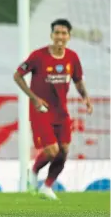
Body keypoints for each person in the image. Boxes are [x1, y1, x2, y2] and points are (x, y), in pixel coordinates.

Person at [13, 19, 93, 200]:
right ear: (51, 35)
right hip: (41, 110)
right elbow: (17, 76)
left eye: (64, 33)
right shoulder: (38, 56)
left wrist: (86, 98)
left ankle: (47, 186)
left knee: (64, 151)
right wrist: (34, 98)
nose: (60, 37)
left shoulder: (72, 57)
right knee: (52, 151)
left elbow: (78, 81)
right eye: (57, 33)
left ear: (69, 36)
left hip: (61, 111)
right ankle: (33, 172)